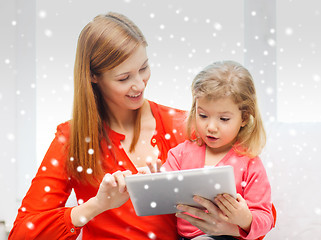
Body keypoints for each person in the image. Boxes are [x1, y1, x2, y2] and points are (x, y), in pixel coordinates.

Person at [9, 12, 190, 240]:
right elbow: (22, 233)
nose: (139, 85)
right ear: (94, 76)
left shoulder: (183, 125)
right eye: (124, 78)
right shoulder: (71, 139)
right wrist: (95, 206)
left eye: (143, 68)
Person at [149, 61, 275, 240]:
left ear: (244, 118)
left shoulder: (249, 163)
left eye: (224, 119)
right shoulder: (180, 154)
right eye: (203, 115)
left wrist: (245, 219)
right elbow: (162, 198)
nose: (211, 127)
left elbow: (265, 218)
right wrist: (154, 181)